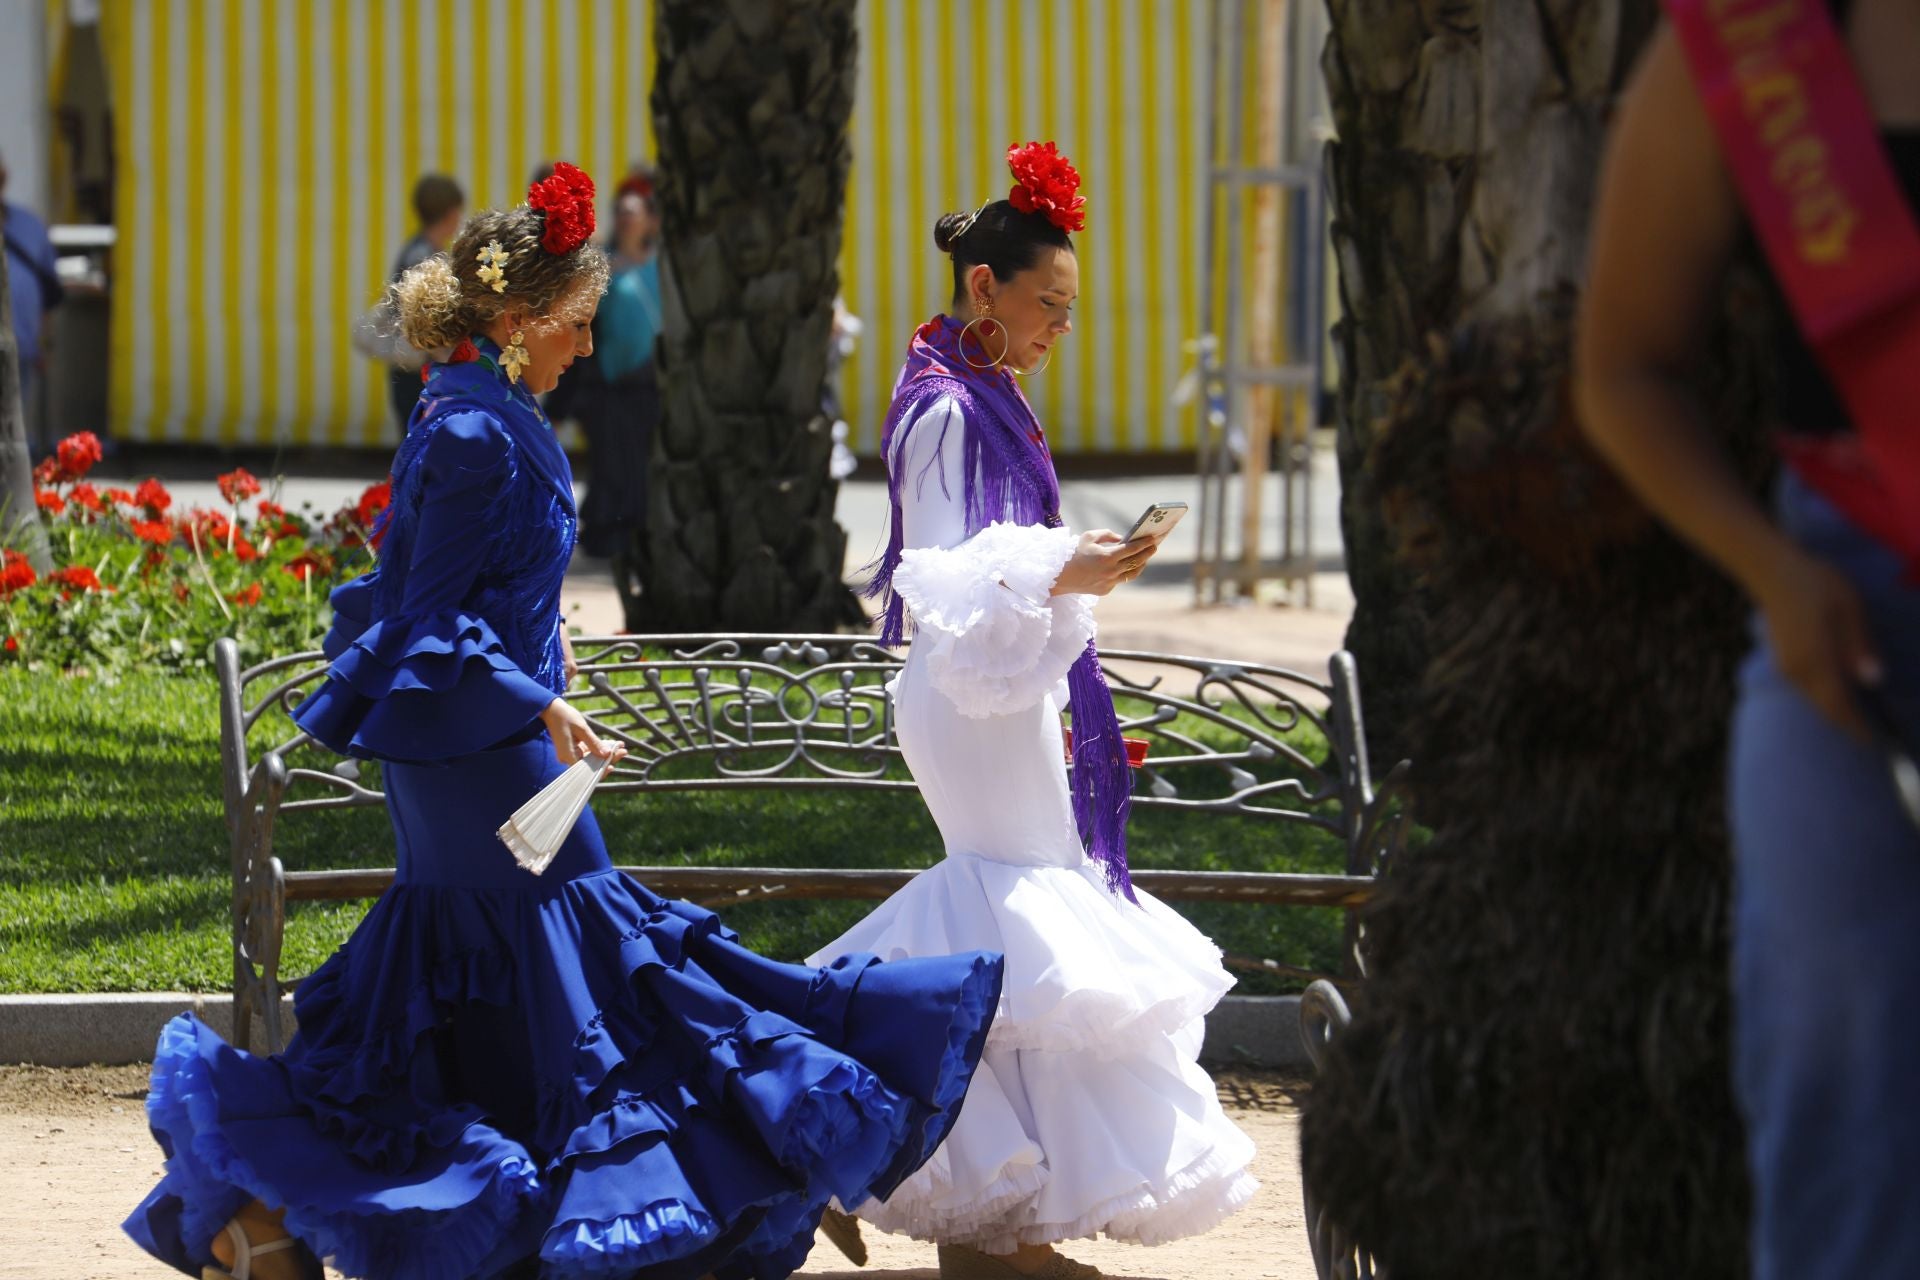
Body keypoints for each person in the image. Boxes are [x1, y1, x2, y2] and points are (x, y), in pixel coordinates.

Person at [122, 163, 1003, 1280]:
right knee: (588, 957)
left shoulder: (494, 411)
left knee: (503, 984)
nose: (588, 347)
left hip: (491, 748)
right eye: (577, 324)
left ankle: (272, 1217)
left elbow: (470, 593)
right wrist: (537, 693)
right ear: (517, 318)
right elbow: (418, 617)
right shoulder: (469, 433)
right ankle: (738, 1156)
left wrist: (547, 646)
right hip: (475, 757)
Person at [808, 142, 1258, 1280]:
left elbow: (1001, 572)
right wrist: (1070, 563)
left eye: (1069, 307)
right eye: (1046, 305)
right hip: (969, 690)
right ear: (983, 291)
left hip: (999, 685)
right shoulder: (948, 408)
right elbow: (945, 568)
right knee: (1018, 925)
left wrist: (1075, 569)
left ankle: (997, 1225)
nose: (1063, 325)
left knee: (1028, 933)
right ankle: (868, 1141)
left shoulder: (986, 393)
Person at [1576, 3, 1920, 1276]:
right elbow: (1625, 369)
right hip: (1851, 629)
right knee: (1846, 1089)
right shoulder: (1756, 43)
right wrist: (1773, 570)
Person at [385, 174, 465, 429]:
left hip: (411, 368)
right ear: (451, 213)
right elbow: (427, 321)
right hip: (419, 372)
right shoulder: (423, 256)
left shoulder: (417, 249)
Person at [2, 153, 64, 454]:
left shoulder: (29, 225)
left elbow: (49, 291)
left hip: (21, 348)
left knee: (14, 431)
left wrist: (46, 343)